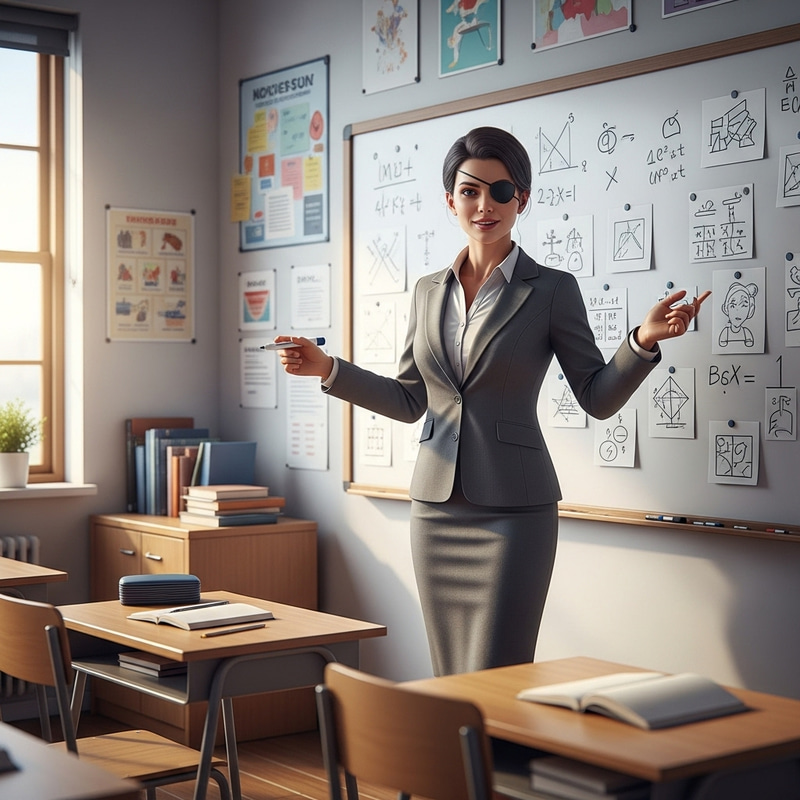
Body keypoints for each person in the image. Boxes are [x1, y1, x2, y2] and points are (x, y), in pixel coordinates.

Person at [275, 127, 711, 677]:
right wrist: (329, 370)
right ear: (450, 199)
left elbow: (596, 397)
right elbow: (412, 400)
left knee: (499, 673)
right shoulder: (428, 290)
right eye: (471, 191)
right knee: (449, 672)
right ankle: (455, 768)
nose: (485, 206)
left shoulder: (551, 289)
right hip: (434, 510)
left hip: (514, 510)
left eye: (501, 192)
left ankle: (498, 767)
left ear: (521, 200)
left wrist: (642, 341)